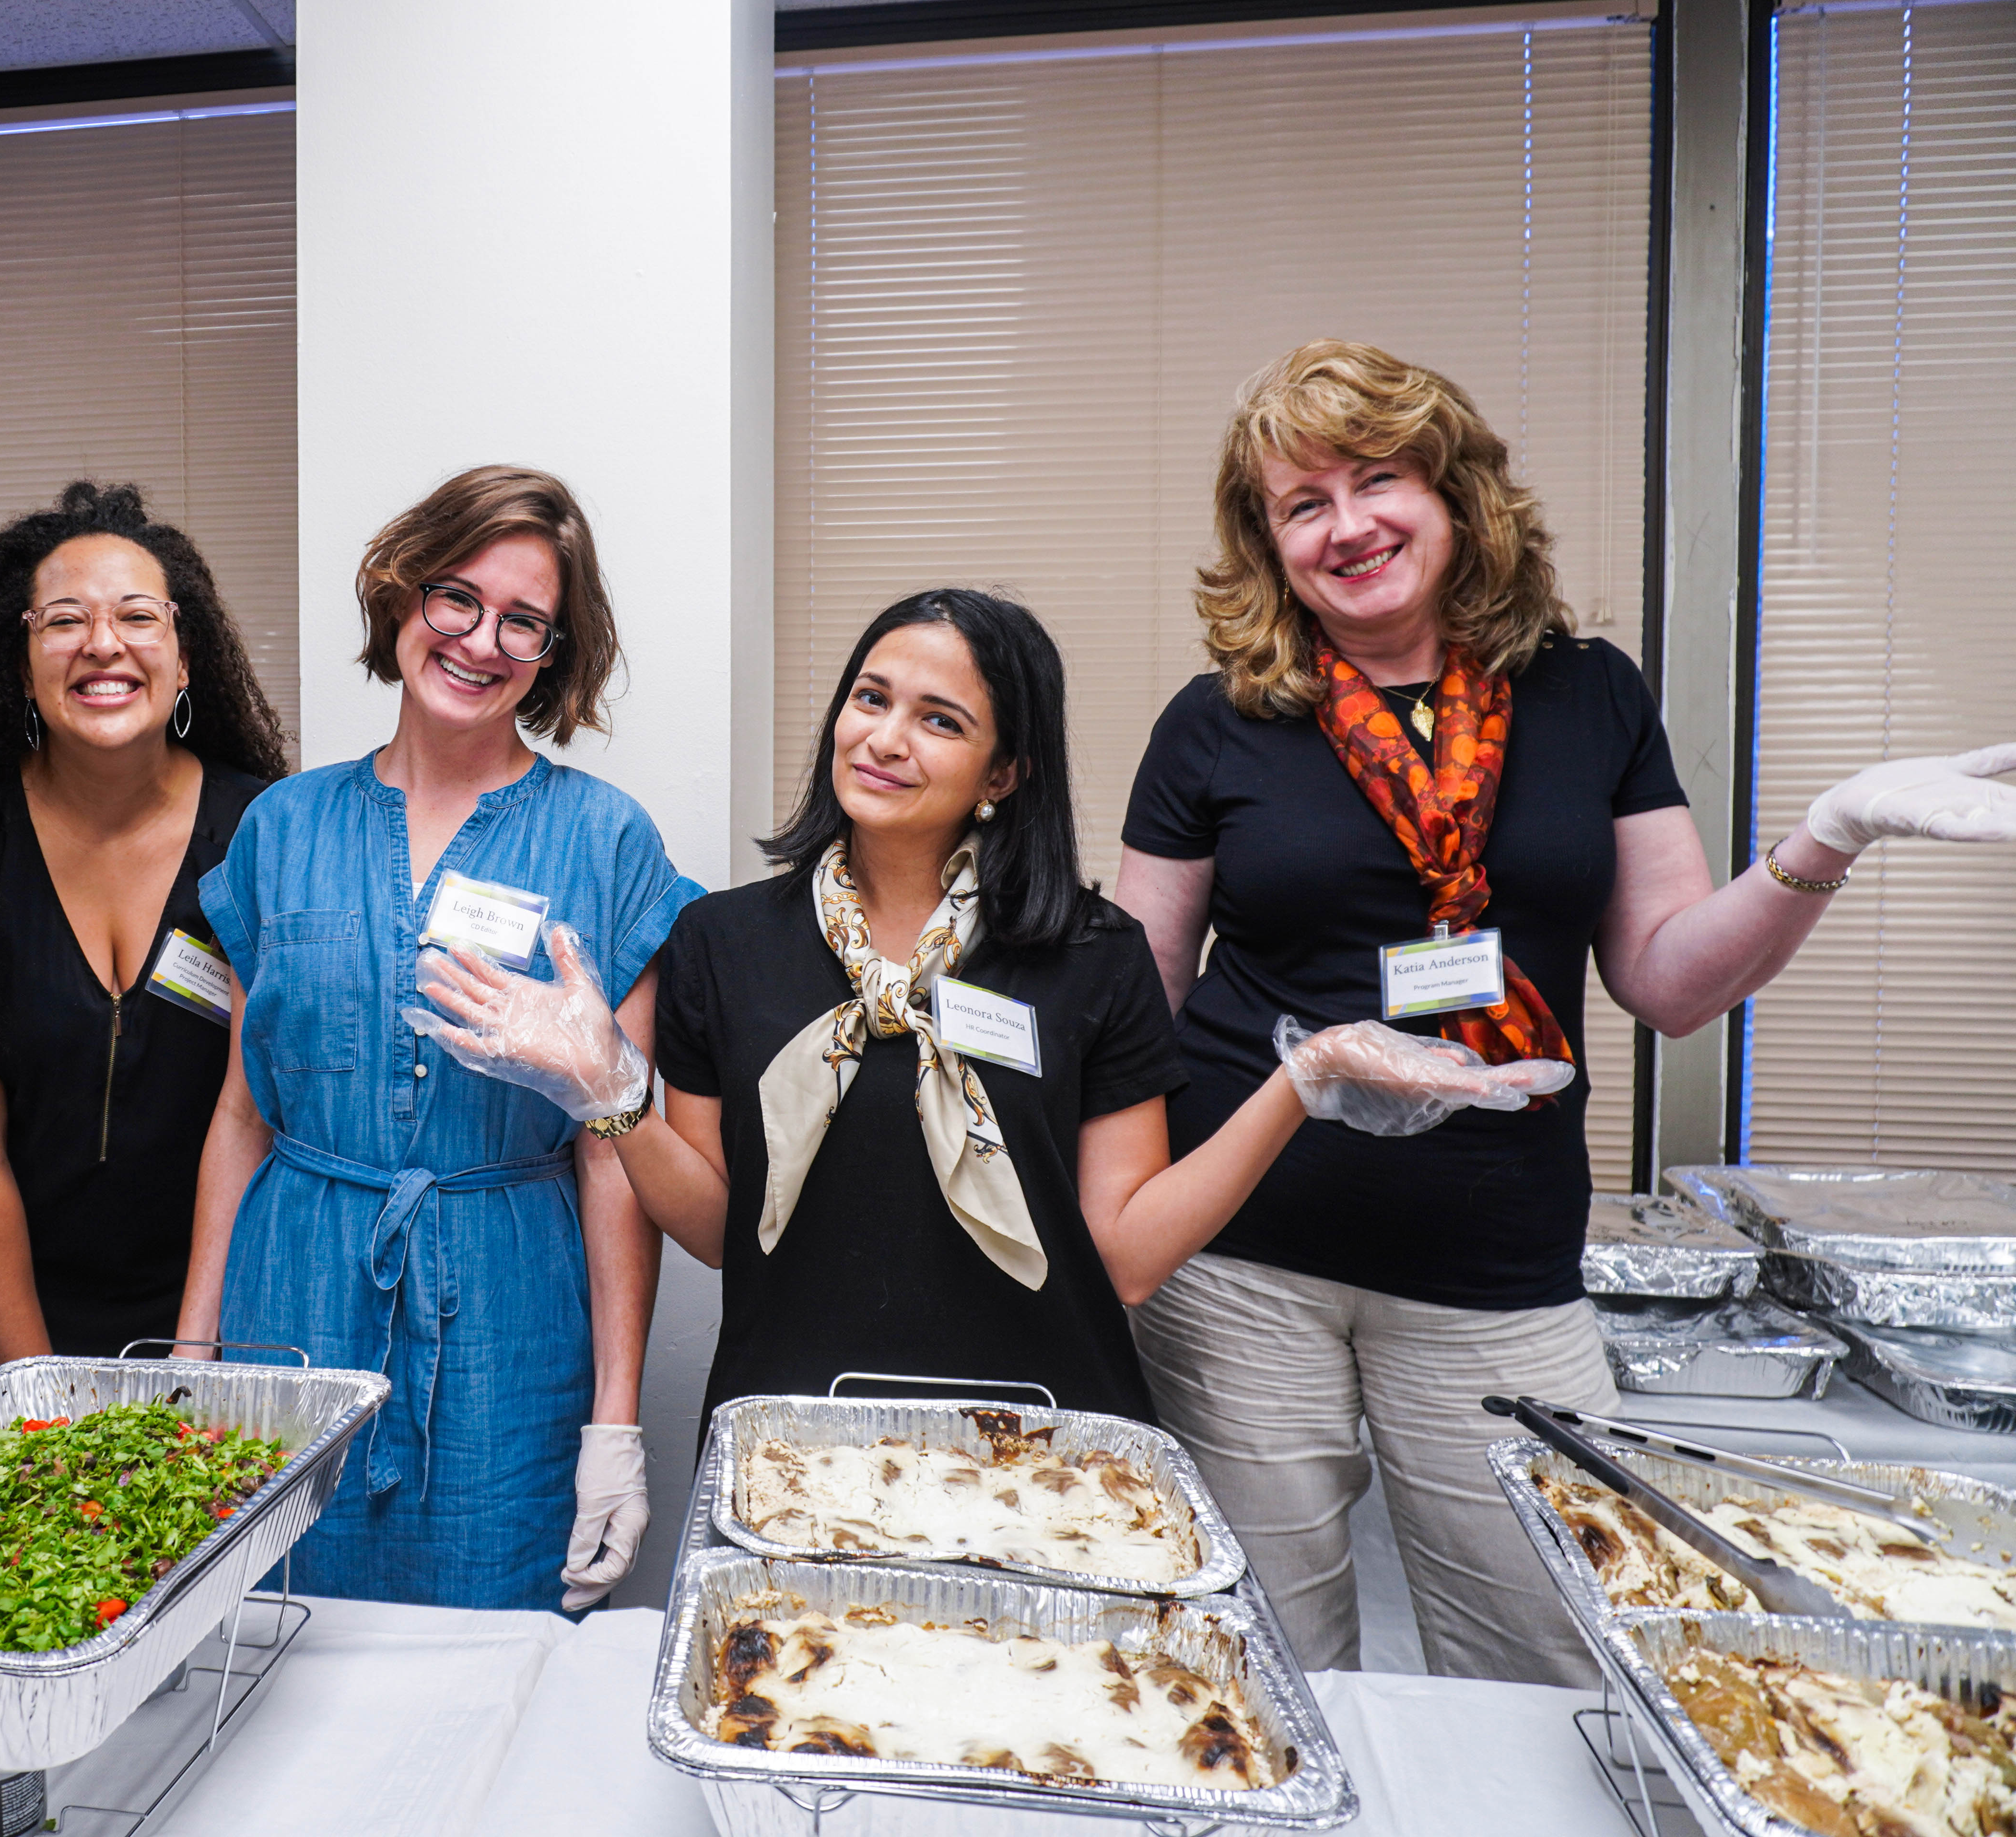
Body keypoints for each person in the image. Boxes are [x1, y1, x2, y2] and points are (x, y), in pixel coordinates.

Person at [1112, 339, 2016, 1684]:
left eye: (1377, 480)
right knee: (1255, 1659)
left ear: (1456, 492)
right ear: (1269, 544)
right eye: (1303, 504)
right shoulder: (1219, 721)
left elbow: (1668, 979)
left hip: (1494, 1260)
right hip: (1244, 1265)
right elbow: (1137, 1009)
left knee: (1546, 1658)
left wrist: (1825, 838)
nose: (1348, 525)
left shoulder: (1586, 695)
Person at [402, 588, 1547, 1439]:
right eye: (871, 698)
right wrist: (611, 1092)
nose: (887, 738)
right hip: (792, 1430)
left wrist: (1304, 1083)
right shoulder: (724, 942)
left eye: (942, 720)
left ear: (1005, 772)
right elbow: (715, 1228)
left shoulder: (1092, 959)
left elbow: (1128, 1259)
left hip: (1044, 1426)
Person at [175, 466, 703, 1614]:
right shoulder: (283, 825)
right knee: (272, 1651)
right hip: (293, 1296)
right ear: (401, 595)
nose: (481, 640)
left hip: (504, 1312)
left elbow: (610, 1145)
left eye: (525, 620)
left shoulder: (602, 839)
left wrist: (616, 1422)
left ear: (554, 652)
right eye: (456, 597)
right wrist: (192, 1353)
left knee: (490, 1657)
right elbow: (239, 1113)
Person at [0, 482, 288, 1388]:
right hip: (4, 1312)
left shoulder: (272, 836)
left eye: (138, 617)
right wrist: (34, 1393)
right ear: (20, 660)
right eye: (65, 620)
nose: (104, 644)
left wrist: (200, 1352)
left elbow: (262, 1123)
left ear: (186, 656)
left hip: (228, 1308)